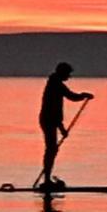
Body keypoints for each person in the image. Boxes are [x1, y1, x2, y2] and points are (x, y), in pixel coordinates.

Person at [38, 62, 93, 190]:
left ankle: (47, 179)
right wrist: (61, 128)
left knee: (52, 149)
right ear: (62, 73)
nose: (69, 77)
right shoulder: (55, 84)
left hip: (51, 120)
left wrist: (83, 95)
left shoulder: (56, 83)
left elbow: (70, 98)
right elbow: (66, 100)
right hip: (49, 120)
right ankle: (46, 181)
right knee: (51, 149)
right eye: (68, 74)